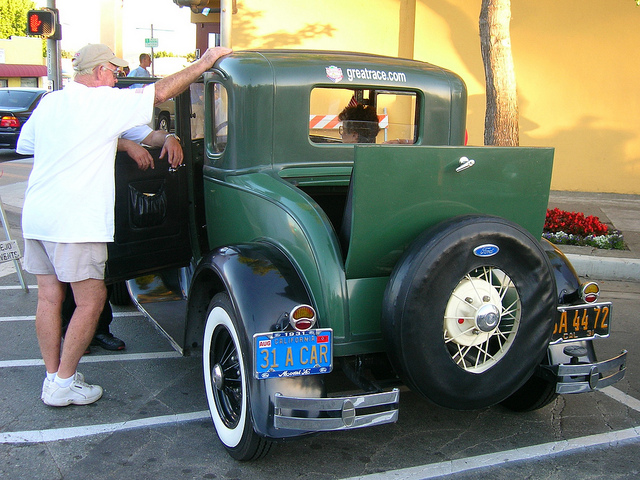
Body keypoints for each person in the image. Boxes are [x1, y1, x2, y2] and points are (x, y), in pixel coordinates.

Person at [16, 43, 231, 407]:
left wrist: (137, 141)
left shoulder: (51, 103)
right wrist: (206, 62)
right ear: (99, 71)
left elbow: (28, 144)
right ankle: (63, 384)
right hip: (75, 222)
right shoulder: (102, 103)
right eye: (114, 71)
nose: (117, 77)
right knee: (92, 299)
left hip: (37, 216)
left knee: (50, 298)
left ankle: (54, 377)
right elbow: (162, 91)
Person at [61, 125, 184, 352]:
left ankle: (99, 330)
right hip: (78, 199)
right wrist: (127, 145)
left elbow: (149, 135)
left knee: (107, 268)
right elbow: (82, 139)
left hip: (111, 198)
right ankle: (70, 329)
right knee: (77, 270)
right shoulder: (78, 109)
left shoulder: (118, 113)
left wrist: (169, 138)